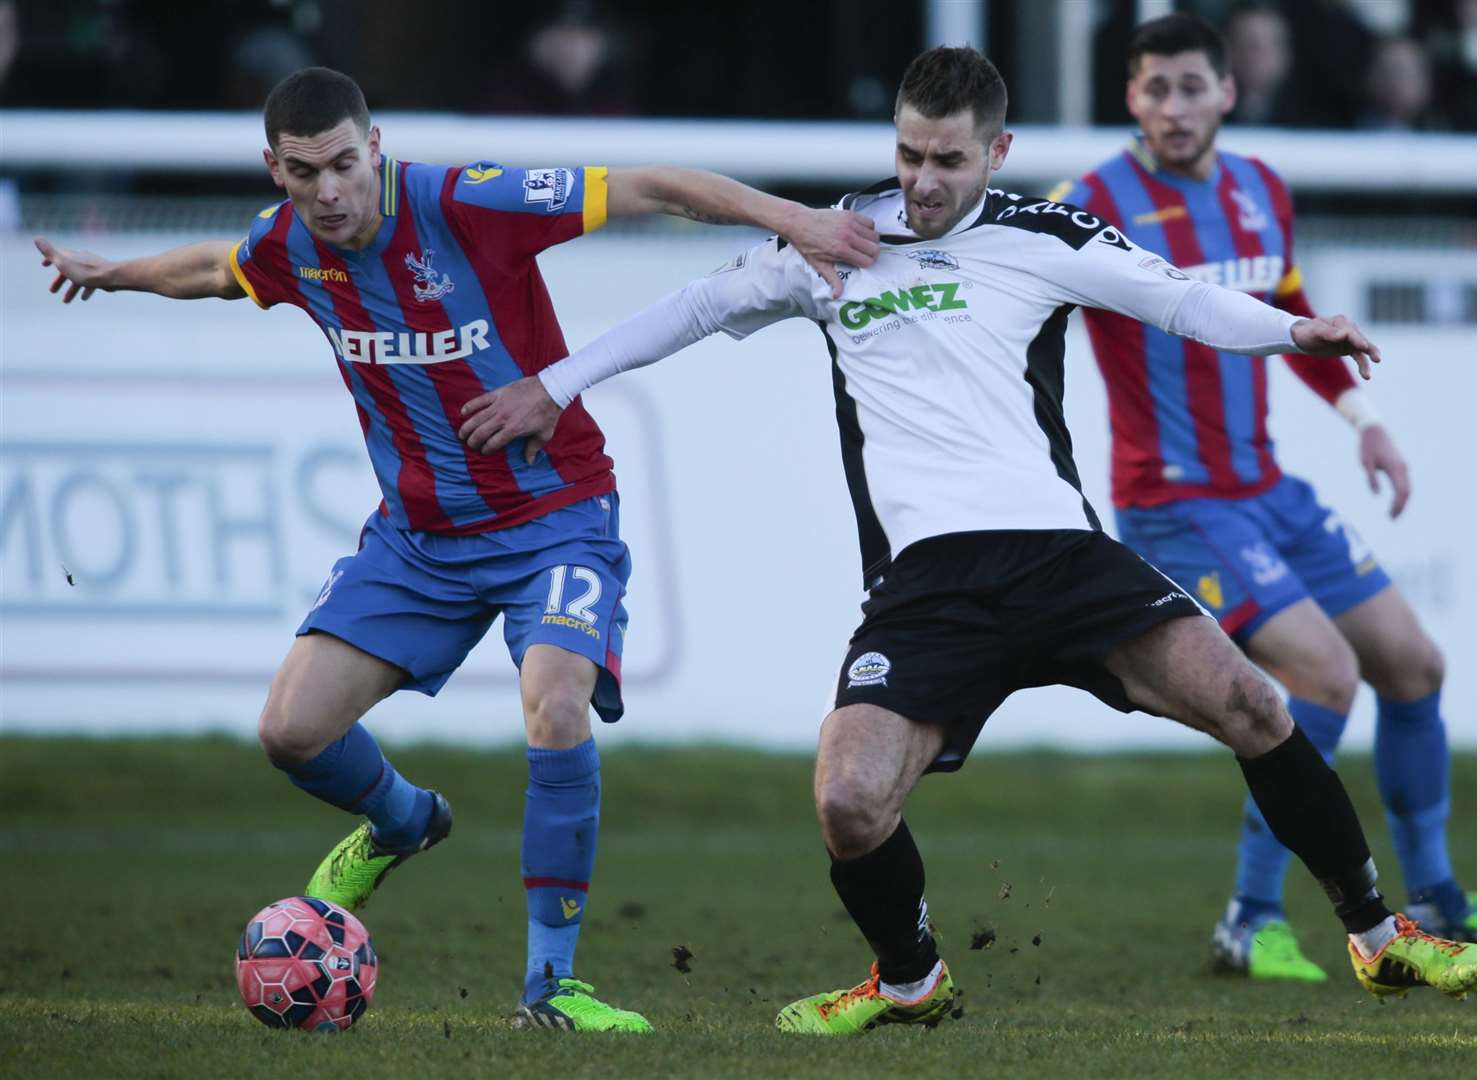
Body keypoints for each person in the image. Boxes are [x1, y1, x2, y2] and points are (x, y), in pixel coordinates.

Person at [456, 45, 1477, 1035]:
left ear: (995, 154)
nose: (921, 179)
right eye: (908, 153)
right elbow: (689, 308)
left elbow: (1179, 300)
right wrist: (553, 386)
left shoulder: (1046, 238)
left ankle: (1379, 937)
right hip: (930, 587)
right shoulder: (833, 246)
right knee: (846, 801)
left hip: (1062, 558)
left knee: (1255, 702)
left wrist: (1294, 329)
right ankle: (911, 982)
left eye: (947, 159)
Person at [34, 66, 879, 1033]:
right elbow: (219, 271)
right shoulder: (292, 243)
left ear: (376, 146)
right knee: (290, 732)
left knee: (556, 705)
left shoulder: (468, 202)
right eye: (305, 173)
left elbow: (650, 185)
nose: (330, 192)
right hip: (418, 543)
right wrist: (115, 272)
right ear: (276, 167)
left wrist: (800, 222)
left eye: (346, 165)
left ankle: (551, 987)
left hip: (554, 514)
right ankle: (401, 819)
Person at [1046, 14, 1477, 983]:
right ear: (1131, 98)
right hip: (1174, 502)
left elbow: (1293, 319)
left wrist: (1363, 419)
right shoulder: (1089, 204)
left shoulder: (1258, 190)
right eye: (1155, 89)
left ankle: (1438, 896)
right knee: (1323, 675)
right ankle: (1248, 917)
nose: (1173, 107)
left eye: (1191, 87)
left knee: (1413, 666)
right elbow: (1021, 299)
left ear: (1227, 93)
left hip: (1267, 484)